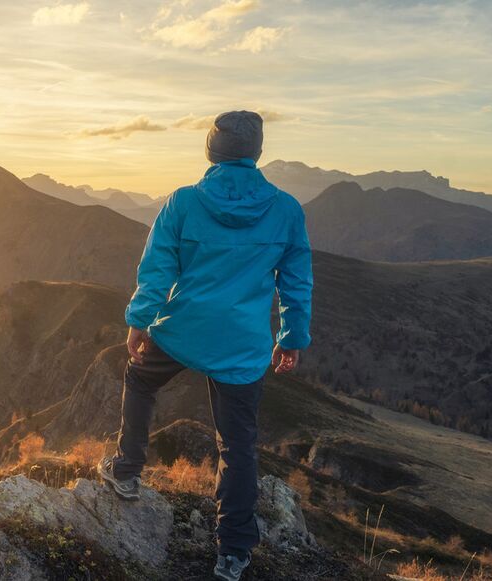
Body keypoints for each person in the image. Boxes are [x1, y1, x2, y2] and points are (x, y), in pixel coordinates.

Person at [95, 110, 313, 581]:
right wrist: (291, 337)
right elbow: (296, 284)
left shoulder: (183, 203)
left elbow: (157, 270)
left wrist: (139, 320)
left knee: (139, 378)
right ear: (257, 152)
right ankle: (232, 553)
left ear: (211, 151)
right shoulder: (286, 210)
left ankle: (128, 471)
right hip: (243, 345)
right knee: (237, 445)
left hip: (182, 330)